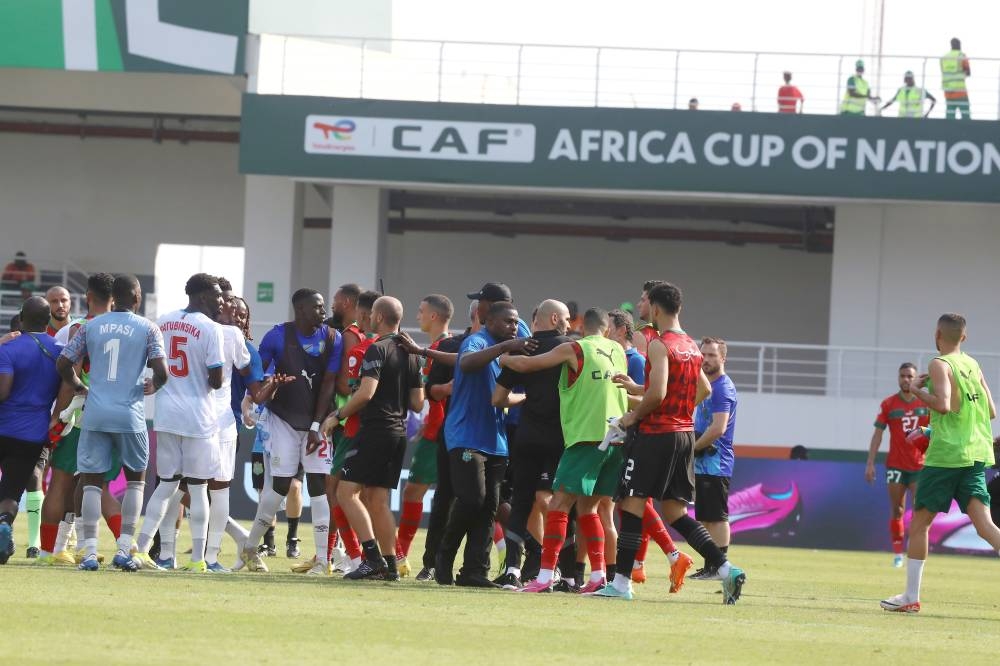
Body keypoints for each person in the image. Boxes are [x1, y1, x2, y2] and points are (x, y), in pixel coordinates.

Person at [598, 282, 745, 602]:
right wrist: (648, 392)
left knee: (631, 505)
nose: (640, 304)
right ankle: (726, 569)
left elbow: (659, 393)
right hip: (682, 436)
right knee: (676, 512)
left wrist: (630, 417)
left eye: (644, 300)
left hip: (656, 436)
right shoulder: (691, 346)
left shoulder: (659, 344)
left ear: (657, 308)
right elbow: (701, 390)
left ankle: (621, 584)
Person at [500, 308, 630, 594]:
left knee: (558, 506)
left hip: (586, 437)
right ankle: (598, 577)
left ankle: (545, 577)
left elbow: (530, 365)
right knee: (589, 509)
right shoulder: (618, 351)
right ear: (607, 330)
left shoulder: (575, 348)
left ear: (583, 329)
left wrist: (504, 357)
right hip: (616, 439)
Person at [881, 314, 1000, 613]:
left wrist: (918, 392)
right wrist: (931, 429)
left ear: (937, 335)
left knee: (919, 524)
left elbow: (944, 405)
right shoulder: (972, 365)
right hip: (974, 455)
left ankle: (910, 596)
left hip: (945, 458)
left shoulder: (939, 364)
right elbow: (990, 411)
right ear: (964, 337)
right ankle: (909, 596)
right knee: (986, 526)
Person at [57, 275, 168, 572]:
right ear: (136, 297)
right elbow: (162, 370)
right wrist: (154, 385)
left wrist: (79, 385)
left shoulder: (91, 325)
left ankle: (90, 552)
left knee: (91, 481)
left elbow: (63, 362)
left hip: (95, 412)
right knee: (136, 480)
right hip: (129, 413)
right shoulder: (148, 328)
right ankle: (123, 549)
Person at [239, 288, 342, 574]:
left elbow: (329, 384)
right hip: (282, 420)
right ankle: (250, 548)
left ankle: (323, 559)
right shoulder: (276, 336)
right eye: (318, 307)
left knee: (319, 485)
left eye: (323, 307)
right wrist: (269, 386)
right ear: (300, 311)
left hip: (317, 423)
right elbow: (259, 380)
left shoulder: (333, 338)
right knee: (280, 487)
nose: (323, 312)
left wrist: (315, 427)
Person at [434, 302, 535, 587]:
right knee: (472, 499)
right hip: (466, 435)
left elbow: (502, 396)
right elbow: (465, 363)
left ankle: (474, 571)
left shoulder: (509, 351)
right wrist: (505, 348)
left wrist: (525, 397)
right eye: (507, 322)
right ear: (488, 320)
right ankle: (444, 555)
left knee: (490, 506)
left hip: (496, 439)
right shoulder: (476, 341)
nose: (513, 327)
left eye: (515, 322)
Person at [322, 296, 422, 580]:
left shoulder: (376, 349)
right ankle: (390, 565)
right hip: (398, 433)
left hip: (375, 431)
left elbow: (365, 393)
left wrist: (337, 415)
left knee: (345, 492)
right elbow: (418, 402)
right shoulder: (411, 352)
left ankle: (373, 558)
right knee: (378, 499)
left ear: (377, 318)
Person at [132, 273, 226, 572]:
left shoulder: (163, 321)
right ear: (201, 297)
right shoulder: (212, 328)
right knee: (198, 488)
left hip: (166, 415)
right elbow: (216, 380)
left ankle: (142, 549)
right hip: (198, 417)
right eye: (216, 296)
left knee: (165, 486)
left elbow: (153, 363)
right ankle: (198, 559)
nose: (220, 300)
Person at [492, 299, 573, 590]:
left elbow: (498, 398)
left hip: (527, 436)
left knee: (521, 503)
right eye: (565, 318)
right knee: (564, 504)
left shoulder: (519, 349)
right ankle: (567, 574)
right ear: (554, 318)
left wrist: (524, 398)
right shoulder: (572, 348)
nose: (568, 324)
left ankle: (512, 569)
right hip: (561, 437)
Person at [39, 273, 120, 566]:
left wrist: (56, 418)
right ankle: (124, 547)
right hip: (113, 416)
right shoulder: (128, 330)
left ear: (86, 296)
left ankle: (50, 550)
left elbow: (66, 378)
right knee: (96, 486)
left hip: (78, 414)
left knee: (60, 481)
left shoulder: (77, 329)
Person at [394, 294, 454, 577]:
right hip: (439, 429)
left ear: (433, 316)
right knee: (454, 498)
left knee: (418, 492)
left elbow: (427, 394)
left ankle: (401, 554)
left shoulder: (442, 348)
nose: (417, 316)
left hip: (439, 432)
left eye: (420, 311)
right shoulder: (441, 347)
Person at [0, 297, 63, 564]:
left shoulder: (8, 348)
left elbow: (2, 391)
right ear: (48, 320)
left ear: (22, 318)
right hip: (33, 433)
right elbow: (67, 389)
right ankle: (4, 523)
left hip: (3, 426)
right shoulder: (60, 350)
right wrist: (57, 416)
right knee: (12, 490)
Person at [865, 362, 929, 567]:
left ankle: (914, 551)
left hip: (919, 466)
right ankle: (898, 554)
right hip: (895, 466)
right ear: (898, 378)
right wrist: (870, 463)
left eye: (910, 376)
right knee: (897, 510)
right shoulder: (889, 404)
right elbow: (877, 435)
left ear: (916, 378)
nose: (906, 380)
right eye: (903, 376)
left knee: (919, 510)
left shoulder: (925, 403)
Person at [690, 337, 739, 580]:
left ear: (723, 359)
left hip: (715, 462)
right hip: (705, 461)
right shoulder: (707, 384)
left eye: (712, 355)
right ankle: (712, 565)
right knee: (707, 517)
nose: (706, 359)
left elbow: (718, 428)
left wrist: (693, 449)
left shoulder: (721, 388)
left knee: (717, 517)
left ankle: (720, 565)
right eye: (704, 355)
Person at [940, 38, 971, 119]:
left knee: (949, 116)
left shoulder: (944, 58)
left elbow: (943, 71)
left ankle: (948, 130)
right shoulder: (961, 55)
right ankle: (967, 131)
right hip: (960, 91)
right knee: (965, 116)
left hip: (948, 91)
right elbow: (968, 71)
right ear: (958, 45)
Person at [633, 279, 664, 357]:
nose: (638, 305)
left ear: (653, 304)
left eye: (643, 300)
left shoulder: (641, 336)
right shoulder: (683, 339)